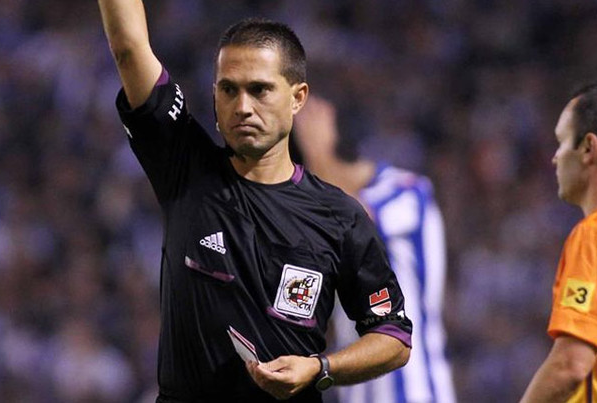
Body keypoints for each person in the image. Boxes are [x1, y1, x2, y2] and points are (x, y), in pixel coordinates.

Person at [96, 1, 413, 402]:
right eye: (228, 89)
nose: (242, 107)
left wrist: (320, 368)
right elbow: (128, 47)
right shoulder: (185, 168)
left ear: (298, 97)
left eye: (259, 90)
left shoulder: (339, 216)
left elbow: (393, 336)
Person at [293, 95, 457, 403]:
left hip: (414, 391)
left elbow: (356, 219)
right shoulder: (317, 220)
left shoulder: (407, 190)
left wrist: (317, 152)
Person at [520, 82, 597, 402]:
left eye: (562, 142)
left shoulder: (596, 234)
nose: (555, 158)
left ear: (588, 148)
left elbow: (570, 365)